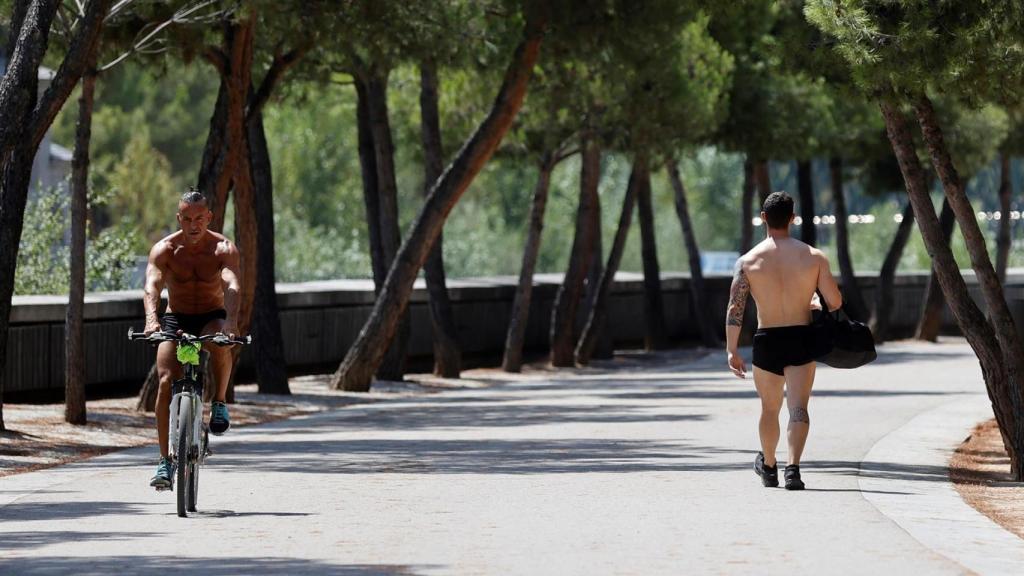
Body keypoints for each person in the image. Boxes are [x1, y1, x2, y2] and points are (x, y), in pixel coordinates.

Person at [725, 192, 842, 490]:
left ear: (763, 217)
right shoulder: (814, 257)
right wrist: (814, 302)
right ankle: (793, 470)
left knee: (769, 408)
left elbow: (735, 309)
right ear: (793, 218)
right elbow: (835, 301)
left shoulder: (748, 261)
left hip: (767, 340)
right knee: (798, 408)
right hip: (801, 336)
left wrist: (731, 350)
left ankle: (769, 466)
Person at [142, 188, 242, 489]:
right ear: (179, 219)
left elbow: (232, 285)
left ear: (209, 217)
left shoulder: (223, 248)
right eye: (187, 219)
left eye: (199, 218)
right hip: (177, 318)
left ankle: (219, 402)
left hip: (211, 316)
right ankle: (164, 461)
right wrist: (151, 320)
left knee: (221, 343)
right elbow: (152, 286)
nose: (193, 225)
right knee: (164, 381)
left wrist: (232, 323)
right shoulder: (165, 250)